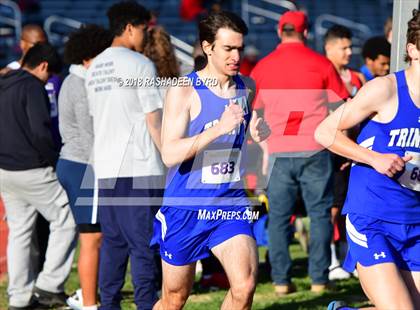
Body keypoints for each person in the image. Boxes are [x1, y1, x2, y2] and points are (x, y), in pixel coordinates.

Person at [150, 11, 270, 310]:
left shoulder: (247, 86)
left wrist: (255, 130)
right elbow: (169, 154)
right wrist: (218, 129)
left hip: (229, 202)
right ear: (208, 48)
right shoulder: (183, 90)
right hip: (185, 207)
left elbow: (242, 129)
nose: (236, 56)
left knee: (244, 287)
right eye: (228, 48)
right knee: (175, 298)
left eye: (240, 48)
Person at [316, 9, 420, 310]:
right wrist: (374, 158)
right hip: (372, 217)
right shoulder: (385, 90)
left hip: (413, 220)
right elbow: (324, 133)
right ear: (412, 49)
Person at [250, 11, 350, 295]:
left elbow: (254, 114)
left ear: (280, 32)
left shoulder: (263, 66)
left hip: (279, 151)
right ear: (306, 33)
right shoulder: (321, 64)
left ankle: (281, 282)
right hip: (315, 148)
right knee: (319, 215)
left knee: (280, 217)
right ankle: (319, 279)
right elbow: (342, 106)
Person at [85, 2, 164, 309]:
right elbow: (153, 119)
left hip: (106, 167)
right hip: (139, 165)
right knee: (143, 245)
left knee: (114, 246)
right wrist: (169, 155)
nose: (147, 35)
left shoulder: (95, 69)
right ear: (131, 28)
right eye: (145, 29)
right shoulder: (140, 64)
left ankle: (109, 305)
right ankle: (145, 305)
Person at [0, 42, 77, 309]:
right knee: (67, 218)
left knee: (19, 232)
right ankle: (49, 285)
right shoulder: (33, 86)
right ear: (44, 66)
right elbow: (40, 131)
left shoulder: (4, 81)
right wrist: (55, 160)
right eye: (50, 75)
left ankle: (19, 297)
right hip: (32, 169)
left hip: (5, 171)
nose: (48, 80)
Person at [56, 24, 112, 310]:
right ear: (90, 56)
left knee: (95, 236)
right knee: (92, 237)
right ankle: (89, 303)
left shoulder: (76, 80)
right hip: (84, 166)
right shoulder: (80, 85)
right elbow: (91, 136)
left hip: (78, 164)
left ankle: (88, 296)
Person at [324, 24, 364, 281]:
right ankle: (331, 259)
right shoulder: (322, 77)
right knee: (332, 209)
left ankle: (353, 255)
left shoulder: (358, 79)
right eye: (344, 47)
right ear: (329, 48)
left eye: (350, 47)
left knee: (354, 205)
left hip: (358, 153)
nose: (349, 52)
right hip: (332, 152)